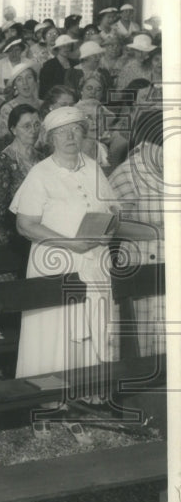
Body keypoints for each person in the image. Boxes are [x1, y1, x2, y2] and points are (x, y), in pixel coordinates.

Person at [10, 106, 119, 381]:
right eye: (62, 133)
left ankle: (86, 392)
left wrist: (108, 229)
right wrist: (71, 244)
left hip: (94, 261)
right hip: (56, 263)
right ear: (50, 139)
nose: (70, 137)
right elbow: (25, 225)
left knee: (93, 322)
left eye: (75, 130)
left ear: (83, 134)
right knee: (57, 329)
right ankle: (49, 397)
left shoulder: (93, 167)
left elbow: (113, 210)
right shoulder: (41, 173)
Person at [108, 110, 165, 357]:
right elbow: (110, 225)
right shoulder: (128, 173)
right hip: (141, 261)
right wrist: (155, 232)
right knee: (147, 332)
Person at [0, 104, 41, 250]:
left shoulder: (42, 159)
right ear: (13, 129)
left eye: (37, 125)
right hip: (11, 239)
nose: (33, 131)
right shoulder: (3, 161)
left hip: (38, 235)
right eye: (26, 126)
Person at [0, 63, 41, 146]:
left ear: (35, 81)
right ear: (15, 85)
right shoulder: (7, 109)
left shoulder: (44, 104)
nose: (25, 83)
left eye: (29, 77)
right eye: (19, 79)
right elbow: (5, 139)